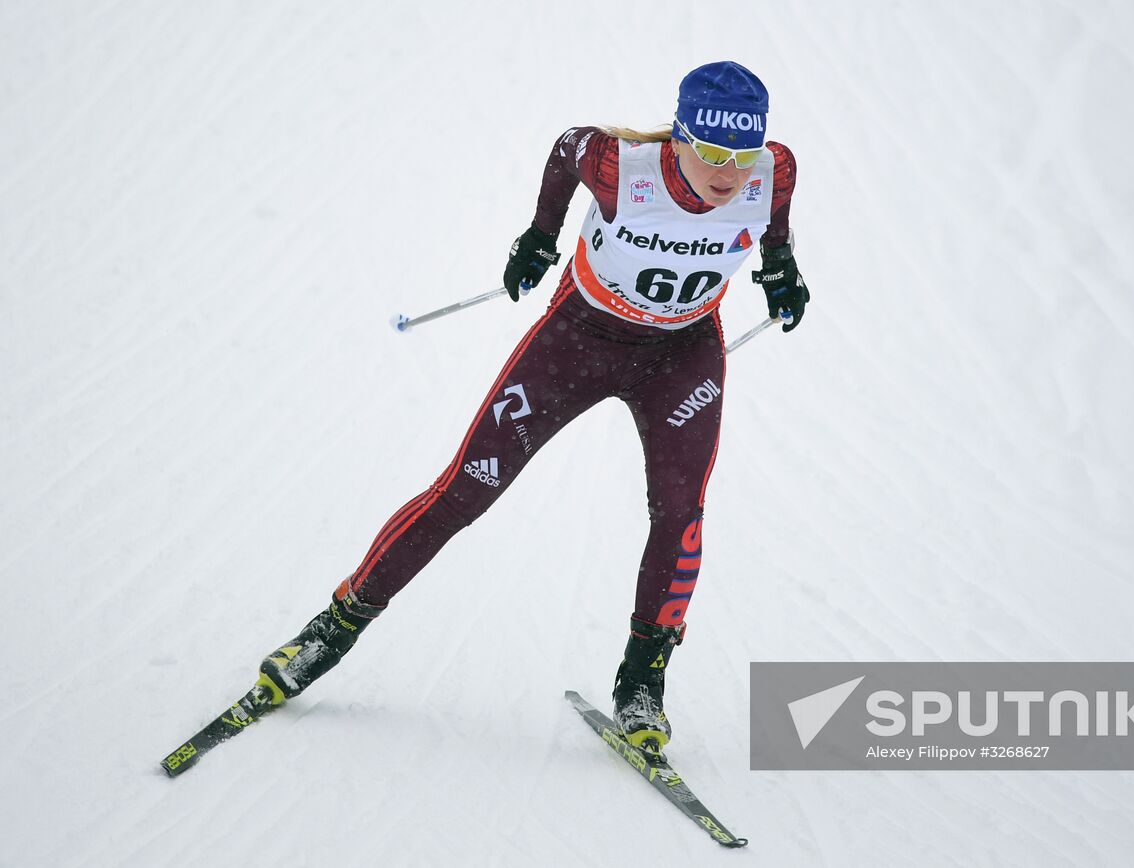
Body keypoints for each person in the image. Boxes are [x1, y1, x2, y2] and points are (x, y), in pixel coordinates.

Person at [251, 60, 807, 754]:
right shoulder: (621, 166)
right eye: (713, 152)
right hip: (580, 341)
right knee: (466, 491)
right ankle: (330, 630)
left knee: (680, 511)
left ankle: (642, 684)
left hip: (681, 356)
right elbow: (567, 146)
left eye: (743, 152)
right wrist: (541, 235)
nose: (729, 172)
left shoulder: (773, 170)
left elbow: (772, 220)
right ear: (680, 140)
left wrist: (780, 268)